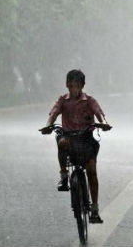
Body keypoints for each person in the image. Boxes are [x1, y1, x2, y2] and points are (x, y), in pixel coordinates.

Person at [40, 69, 109, 224]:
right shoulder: (63, 100)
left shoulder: (90, 101)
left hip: (86, 139)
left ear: (82, 85)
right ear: (67, 85)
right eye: (71, 86)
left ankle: (95, 209)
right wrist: (48, 126)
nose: (74, 89)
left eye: (77, 86)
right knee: (61, 141)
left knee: (91, 171)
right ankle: (64, 176)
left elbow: (99, 113)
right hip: (70, 139)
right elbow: (53, 113)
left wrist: (104, 124)